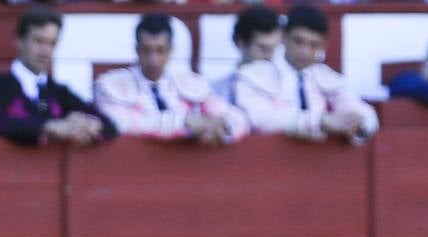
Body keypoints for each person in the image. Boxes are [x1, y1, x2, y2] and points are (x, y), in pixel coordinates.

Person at [0, 5, 116, 146]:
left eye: (52, 43)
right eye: (39, 41)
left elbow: (109, 126)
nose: (45, 51)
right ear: (19, 41)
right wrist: (48, 127)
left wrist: (90, 125)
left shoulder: (60, 93)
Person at [232, 5, 378, 144]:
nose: (305, 51)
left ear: (323, 45)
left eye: (313, 44)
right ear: (284, 37)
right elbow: (262, 119)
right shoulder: (254, 73)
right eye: (298, 41)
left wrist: (357, 121)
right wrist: (321, 121)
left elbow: (362, 111)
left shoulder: (326, 77)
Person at [94, 14, 248, 145]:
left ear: (171, 50)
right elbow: (119, 123)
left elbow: (238, 119)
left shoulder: (190, 83)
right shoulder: (111, 85)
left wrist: (220, 127)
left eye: (160, 50)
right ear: (136, 49)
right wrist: (186, 123)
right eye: (146, 50)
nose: (153, 59)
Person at [211, 4, 282, 106]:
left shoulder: (287, 87)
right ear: (240, 42)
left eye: (273, 48)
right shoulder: (218, 93)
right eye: (262, 48)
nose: (269, 55)